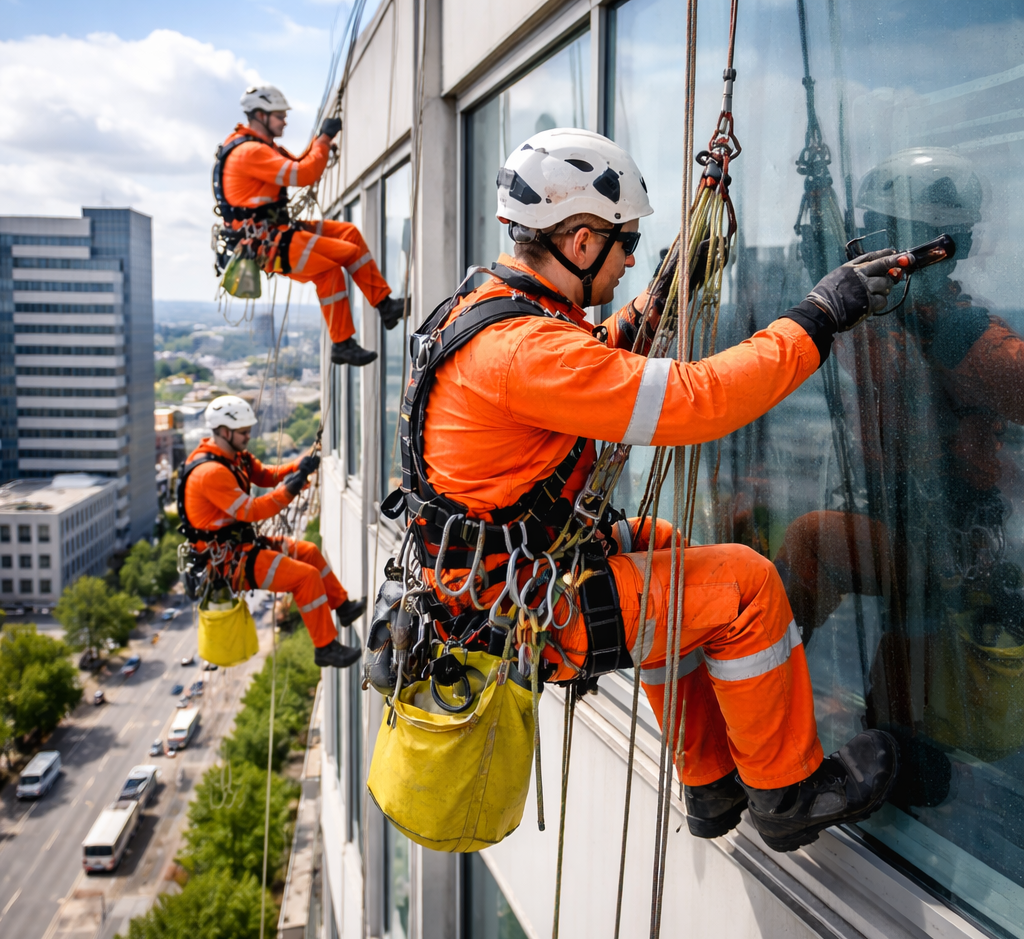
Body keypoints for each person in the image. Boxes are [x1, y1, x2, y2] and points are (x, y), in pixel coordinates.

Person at [393, 127, 902, 853]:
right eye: (624, 242)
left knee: (662, 546)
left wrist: (654, 303)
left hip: (493, 589)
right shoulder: (523, 350)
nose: (631, 258)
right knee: (747, 587)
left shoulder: (485, 314)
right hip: (523, 612)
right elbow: (697, 399)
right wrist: (819, 316)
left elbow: (583, 363)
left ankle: (709, 778)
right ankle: (790, 792)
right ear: (578, 241)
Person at [774, 148, 1024, 777]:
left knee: (815, 544)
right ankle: (894, 741)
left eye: (885, 238)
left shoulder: (961, 332)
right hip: (913, 528)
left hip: (949, 544)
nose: (872, 252)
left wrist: (943, 326)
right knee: (892, 616)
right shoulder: (886, 318)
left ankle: (780, 708)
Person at [214, 84, 408, 367]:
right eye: (279, 115)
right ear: (259, 115)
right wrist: (325, 138)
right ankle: (378, 313)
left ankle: (364, 326)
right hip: (268, 242)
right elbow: (304, 173)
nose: (284, 121)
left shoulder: (261, 148)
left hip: (275, 233)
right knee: (343, 255)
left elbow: (301, 162)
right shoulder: (250, 152)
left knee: (347, 235)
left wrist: (322, 141)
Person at [179, 395, 365, 668]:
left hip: (238, 547)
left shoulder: (234, 458)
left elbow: (265, 475)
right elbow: (251, 510)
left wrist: (297, 467)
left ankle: (343, 607)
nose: (248, 437)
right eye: (243, 432)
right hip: (226, 562)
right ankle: (325, 647)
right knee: (305, 577)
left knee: (309, 552)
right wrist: (292, 487)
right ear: (224, 432)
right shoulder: (210, 472)